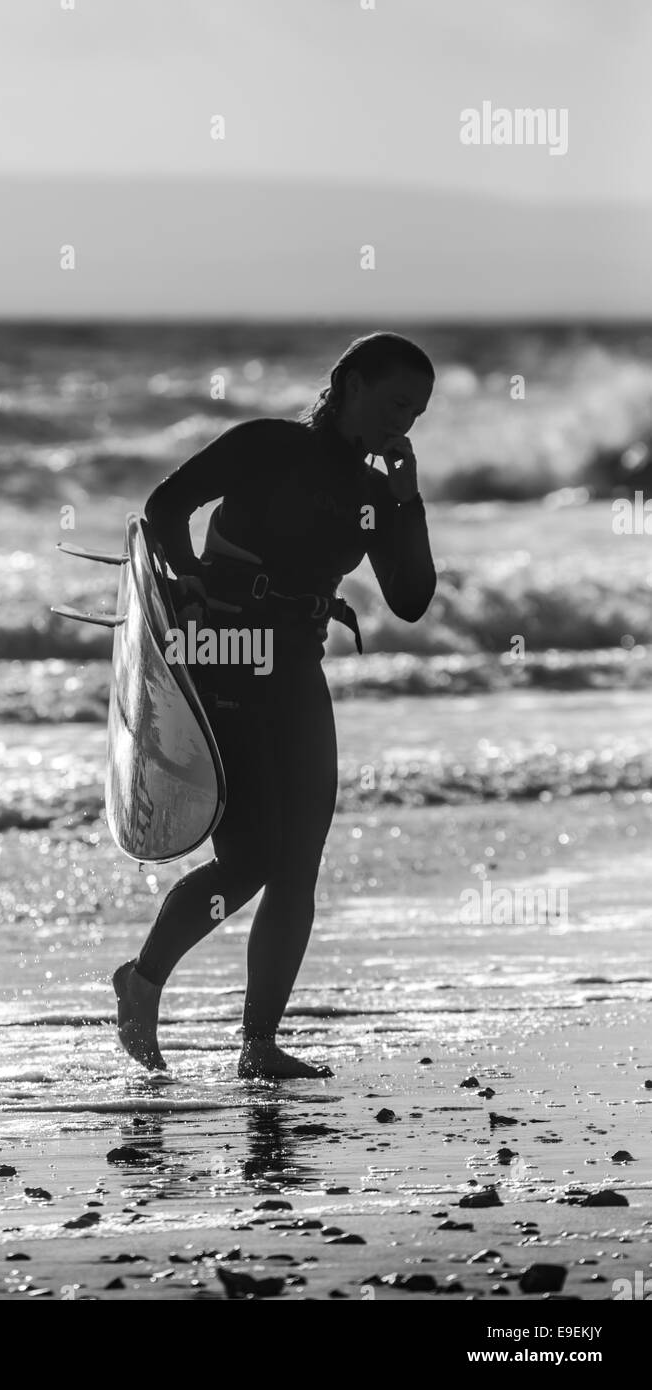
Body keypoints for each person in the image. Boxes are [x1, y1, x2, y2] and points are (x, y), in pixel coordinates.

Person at [113, 331, 438, 1079]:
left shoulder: (373, 490)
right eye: (394, 403)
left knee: (299, 869)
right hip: (225, 659)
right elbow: (165, 508)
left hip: (295, 665)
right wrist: (189, 581)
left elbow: (412, 599)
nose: (403, 424)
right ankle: (143, 978)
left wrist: (405, 498)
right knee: (253, 857)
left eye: (416, 413)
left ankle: (258, 1046)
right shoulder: (267, 445)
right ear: (349, 384)